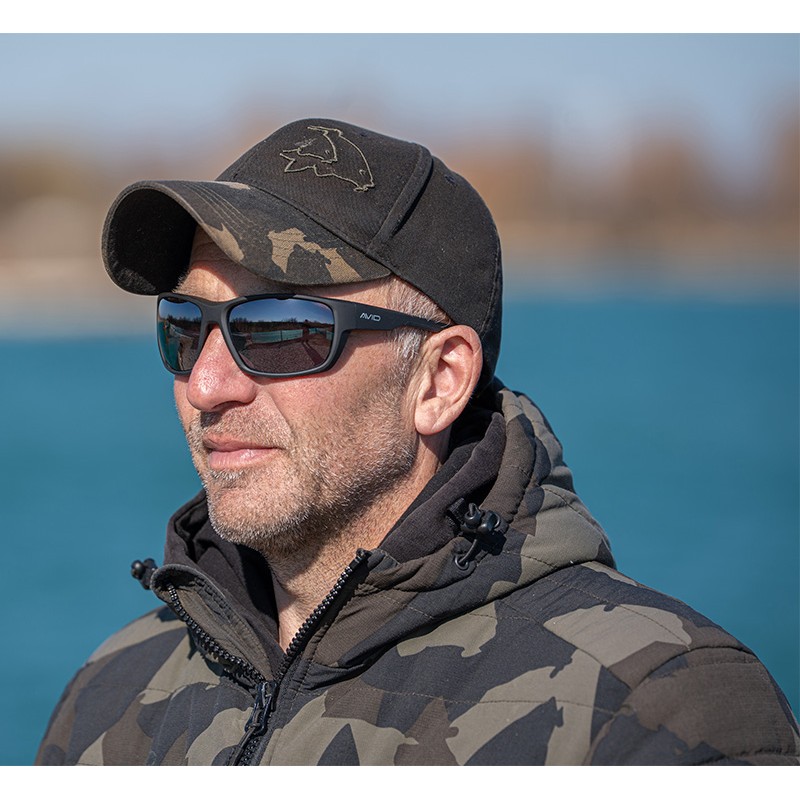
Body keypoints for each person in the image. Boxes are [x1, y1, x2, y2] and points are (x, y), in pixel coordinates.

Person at [36, 118, 799, 766]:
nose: (206, 385)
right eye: (184, 327)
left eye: (279, 330)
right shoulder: (113, 696)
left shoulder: (648, 710)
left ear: (439, 380)